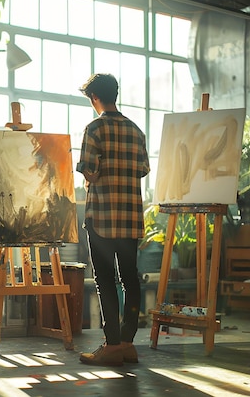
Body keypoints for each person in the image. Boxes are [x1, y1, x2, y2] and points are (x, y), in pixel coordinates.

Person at [76, 73, 150, 367]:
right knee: (130, 278)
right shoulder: (136, 131)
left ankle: (112, 344)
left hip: (103, 218)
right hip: (130, 217)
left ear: (95, 98)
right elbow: (143, 169)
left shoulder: (94, 128)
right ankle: (129, 342)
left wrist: (91, 175)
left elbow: (90, 172)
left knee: (104, 280)